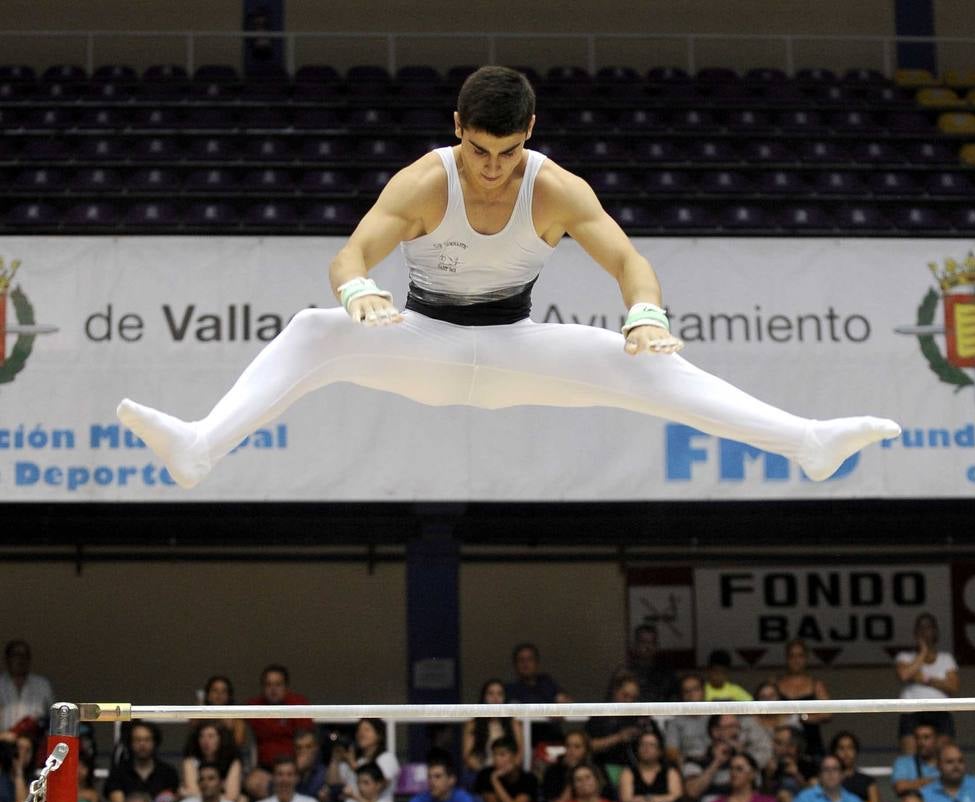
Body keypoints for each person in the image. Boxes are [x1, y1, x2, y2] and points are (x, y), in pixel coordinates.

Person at [116, 66, 900, 493]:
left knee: (651, 365)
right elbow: (349, 255)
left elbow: (628, 260)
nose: (492, 172)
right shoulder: (425, 181)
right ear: (457, 128)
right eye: (478, 153)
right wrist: (359, 294)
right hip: (422, 343)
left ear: (531, 133)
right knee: (312, 332)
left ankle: (809, 442)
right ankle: (201, 447)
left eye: (508, 154)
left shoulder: (554, 187)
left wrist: (644, 313)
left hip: (518, 348)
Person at [244, 665, 314, 799]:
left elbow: (307, 741)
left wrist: (294, 770)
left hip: (294, 766)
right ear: (262, 687)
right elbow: (235, 726)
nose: (273, 689)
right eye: (268, 684)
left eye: (278, 684)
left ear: (286, 687)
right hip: (265, 769)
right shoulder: (254, 706)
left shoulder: (298, 704)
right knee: (253, 782)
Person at [895, 614, 959, 752]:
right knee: (910, 756)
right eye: (921, 628)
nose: (924, 631)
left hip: (940, 711)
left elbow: (953, 687)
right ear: (915, 632)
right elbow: (904, 675)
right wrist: (923, 652)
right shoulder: (905, 657)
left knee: (944, 753)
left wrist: (926, 679)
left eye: (928, 627)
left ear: (935, 631)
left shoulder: (946, 658)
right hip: (911, 710)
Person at [618, 728, 683, 802]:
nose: (646, 748)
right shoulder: (628, 772)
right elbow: (626, 799)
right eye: (643, 744)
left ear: (659, 750)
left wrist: (645, 801)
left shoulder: (670, 772)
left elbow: (676, 796)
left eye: (651, 745)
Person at [105, 721, 181, 802]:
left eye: (147, 739)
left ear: (154, 742)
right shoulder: (118, 773)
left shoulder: (168, 773)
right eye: (137, 740)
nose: (142, 744)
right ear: (130, 743)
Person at [587, 673, 653, 779]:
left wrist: (642, 732)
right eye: (625, 695)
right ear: (615, 691)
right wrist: (619, 737)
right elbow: (590, 746)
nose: (629, 701)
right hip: (604, 768)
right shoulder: (600, 714)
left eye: (633, 698)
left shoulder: (639, 716)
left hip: (635, 769)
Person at [774, 639, 831, 762]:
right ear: (786, 658)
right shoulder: (776, 684)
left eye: (800, 655)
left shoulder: (816, 685)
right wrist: (784, 718)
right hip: (782, 747)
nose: (796, 660)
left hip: (812, 744)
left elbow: (828, 713)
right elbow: (765, 713)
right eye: (792, 656)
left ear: (806, 658)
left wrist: (802, 717)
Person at [327, 717, 400, 802]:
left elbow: (381, 784)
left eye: (367, 730)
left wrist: (352, 764)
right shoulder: (358, 760)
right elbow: (333, 783)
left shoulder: (387, 758)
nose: (361, 734)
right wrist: (335, 759)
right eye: (359, 730)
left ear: (379, 735)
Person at [831, 731, 889, 802]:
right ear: (834, 752)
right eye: (841, 748)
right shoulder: (828, 780)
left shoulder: (867, 780)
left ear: (856, 751)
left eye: (850, 748)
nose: (846, 752)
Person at [461, 679, 524, 774]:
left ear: (505, 698)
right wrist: (485, 774)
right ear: (484, 697)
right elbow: (467, 756)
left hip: (508, 773)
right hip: (481, 772)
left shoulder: (513, 723)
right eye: (490, 694)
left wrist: (507, 771)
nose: (495, 698)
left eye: (499, 694)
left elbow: (520, 753)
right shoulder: (473, 724)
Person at [0, 639, 54, 736]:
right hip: (4, 742)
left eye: (25, 655)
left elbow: (52, 717)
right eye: (16, 655)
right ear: (6, 659)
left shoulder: (42, 684)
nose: (21, 659)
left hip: (34, 742)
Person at [180, 723, 242, 802]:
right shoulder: (190, 761)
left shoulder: (232, 761)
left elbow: (232, 796)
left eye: (211, 736)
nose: (205, 741)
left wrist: (188, 793)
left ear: (221, 739)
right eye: (201, 736)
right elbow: (194, 792)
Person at [665, 673, 711, 773]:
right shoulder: (675, 722)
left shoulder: (715, 716)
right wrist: (683, 760)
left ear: (703, 691)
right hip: (689, 764)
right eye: (687, 691)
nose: (691, 694)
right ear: (682, 695)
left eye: (696, 689)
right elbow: (671, 750)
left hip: (716, 762)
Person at [197, 676, 248, 765]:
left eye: (223, 691)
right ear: (208, 695)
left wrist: (228, 727)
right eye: (215, 690)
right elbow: (193, 740)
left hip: (229, 761)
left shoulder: (236, 718)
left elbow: (239, 743)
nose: (219, 694)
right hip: (203, 761)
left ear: (229, 695)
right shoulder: (201, 715)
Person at [623, 623, 678, 703]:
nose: (647, 646)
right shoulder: (624, 672)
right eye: (643, 642)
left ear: (657, 645)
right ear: (635, 645)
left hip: (661, 714)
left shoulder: (667, 673)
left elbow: (675, 700)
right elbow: (613, 704)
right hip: (632, 714)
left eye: (652, 642)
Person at [892, 721, 941, 796]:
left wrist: (913, 784)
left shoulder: (947, 761)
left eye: (926, 737)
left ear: (936, 739)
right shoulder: (903, 762)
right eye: (918, 738)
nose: (921, 742)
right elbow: (900, 787)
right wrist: (938, 781)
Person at [293, 728, 327, 798]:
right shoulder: (290, 769)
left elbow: (308, 796)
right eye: (299, 748)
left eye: (308, 747)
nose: (303, 751)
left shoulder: (323, 772)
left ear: (316, 748)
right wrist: (296, 771)